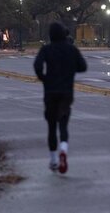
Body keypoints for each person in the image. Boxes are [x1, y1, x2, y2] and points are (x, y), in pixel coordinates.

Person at [34, 22, 87, 174]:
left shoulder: (46, 49)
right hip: (66, 92)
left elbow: (37, 65)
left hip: (50, 91)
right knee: (63, 124)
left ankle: (53, 159)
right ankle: (63, 149)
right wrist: (70, 70)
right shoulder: (71, 49)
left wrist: (43, 77)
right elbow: (83, 66)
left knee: (51, 127)